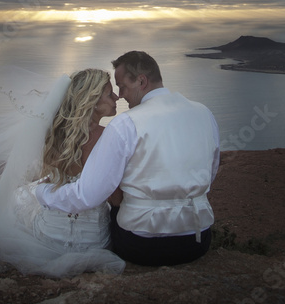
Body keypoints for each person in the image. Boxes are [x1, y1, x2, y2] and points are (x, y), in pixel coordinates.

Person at [0, 67, 125, 277]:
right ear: (91, 101)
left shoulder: (53, 134)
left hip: (50, 235)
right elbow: (116, 197)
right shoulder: (107, 137)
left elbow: (46, 173)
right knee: (32, 193)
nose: (116, 97)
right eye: (110, 94)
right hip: (92, 240)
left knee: (22, 196)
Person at [35, 51, 220, 266]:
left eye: (122, 86)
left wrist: (41, 192)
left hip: (140, 245)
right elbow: (211, 172)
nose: (120, 95)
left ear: (141, 81)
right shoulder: (204, 113)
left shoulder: (125, 124)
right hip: (197, 241)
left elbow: (88, 195)